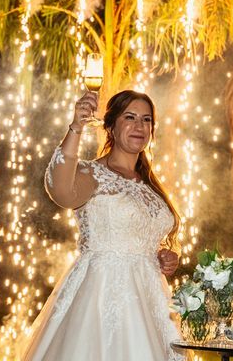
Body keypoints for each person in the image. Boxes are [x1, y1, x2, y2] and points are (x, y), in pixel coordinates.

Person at [21, 90, 182, 361]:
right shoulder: (92, 174)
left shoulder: (151, 185)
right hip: (101, 294)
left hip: (151, 301)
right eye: (129, 117)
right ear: (110, 126)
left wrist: (165, 257)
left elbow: (142, 237)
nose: (139, 126)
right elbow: (60, 191)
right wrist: (76, 126)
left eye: (146, 120)